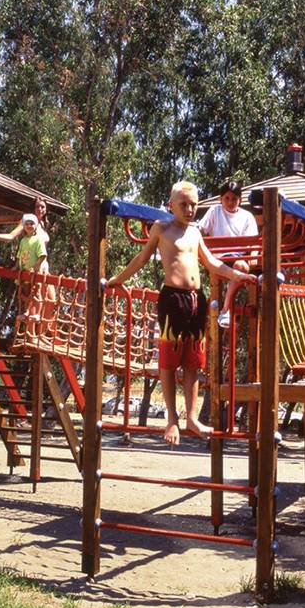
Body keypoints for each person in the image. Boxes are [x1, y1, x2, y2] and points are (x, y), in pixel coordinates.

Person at [107, 180, 257, 446]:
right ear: (171, 205)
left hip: (195, 300)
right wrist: (116, 280)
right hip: (172, 299)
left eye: (194, 205)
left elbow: (211, 263)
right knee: (168, 362)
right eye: (184, 204)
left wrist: (238, 274)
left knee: (193, 362)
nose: (189, 209)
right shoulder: (162, 228)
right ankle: (172, 420)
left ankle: (191, 417)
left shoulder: (195, 233)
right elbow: (141, 258)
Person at [198, 178, 258, 329]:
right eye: (227, 198)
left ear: (240, 200)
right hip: (218, 258)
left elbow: (254, 241)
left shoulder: (247, 217)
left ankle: (225, 309)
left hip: (238, 257)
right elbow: (200, 229)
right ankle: (225, 310)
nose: (230, 202)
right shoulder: (215, 211)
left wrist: (254, 256)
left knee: (242, 266)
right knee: (241, 267)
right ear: (221, 199)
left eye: (234, 199)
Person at [0, 212, 48, 337]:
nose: (29, 226)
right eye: (27, 224)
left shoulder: (38, 239)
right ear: (23, 226)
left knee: (36, 293)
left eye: (32, 223)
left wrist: (36, 267)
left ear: (36, 226)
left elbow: (42, 255)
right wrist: (16, 266)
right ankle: (27, 311)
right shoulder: (23, 240)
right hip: (24, 273)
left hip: (34, 273)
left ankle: (37, 313)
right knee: (26, 294)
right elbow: (19, 255)